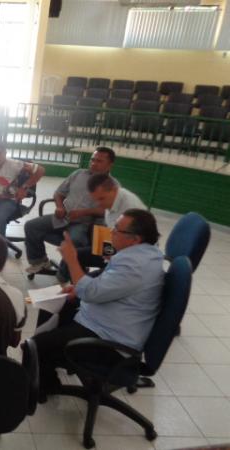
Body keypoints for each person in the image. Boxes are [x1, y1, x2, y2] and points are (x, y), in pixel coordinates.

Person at [33, 209, 165, 398]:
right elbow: (108, 284)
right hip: (110, 321)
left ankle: (44, 388)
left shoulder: (134, 266)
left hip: (110, 342)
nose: (111, 232)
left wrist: (71, 259)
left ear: (135, 239)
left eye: (117, 230)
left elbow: (90, 292)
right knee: (57, 308)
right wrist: (78, 287)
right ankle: (48, 368)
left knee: (37, 345)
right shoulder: (144, 254)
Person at [24, 146, 116, 274]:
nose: (94, 164)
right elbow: (59, 193)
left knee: (74, 242)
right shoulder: (78, 174)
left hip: (84, 224)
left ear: (110, 165)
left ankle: (65, 274)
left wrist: (83, 213)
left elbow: (108, 211)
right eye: (92, 160)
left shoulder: (112, 186)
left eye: (99, 161)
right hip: (63, 217)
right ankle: (40, 262)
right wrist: (60, 206)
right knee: (31, 226)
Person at [56, 173, 146, 282]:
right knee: (74, 255)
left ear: (114, 189)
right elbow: (112, 234)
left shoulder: (130, 208)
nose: (99, 204)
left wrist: (111, 255)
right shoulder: (112, 201)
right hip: (115, 250)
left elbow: (136, 244)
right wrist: (107, 251)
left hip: (131, 261)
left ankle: (74, 288)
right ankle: (69, 283)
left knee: (85, 282)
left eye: (102, 198)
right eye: (96, 200)